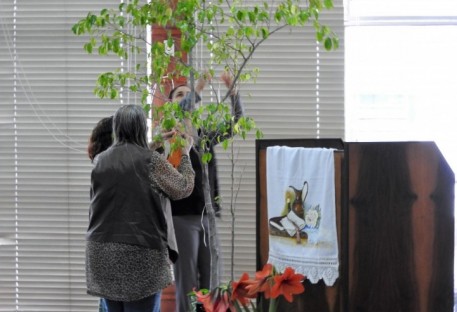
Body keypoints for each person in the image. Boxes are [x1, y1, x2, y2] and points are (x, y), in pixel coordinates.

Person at [85, 104, 195, 312]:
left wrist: (156, 142)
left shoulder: (100, 160)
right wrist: (186, 154)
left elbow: (130, 161)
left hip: (101, 255)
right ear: (140, 129)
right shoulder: (151, 161)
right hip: (141, 255)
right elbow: (183, 188)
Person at [168, 71, 244, 312]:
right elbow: (182, 113)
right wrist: (197, 89)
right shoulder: (170, 135)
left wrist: (233, 92)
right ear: (170, 104)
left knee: (212, 281)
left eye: (187, 95)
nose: (184, 98)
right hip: (182, 218)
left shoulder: (205, 137)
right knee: (187, 283)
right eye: (179, 95)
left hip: (207, 217)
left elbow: (238, 121)